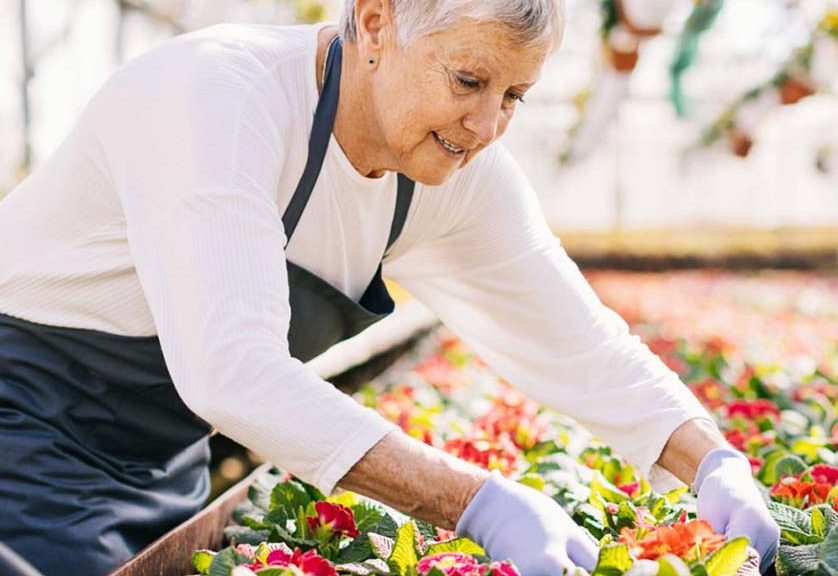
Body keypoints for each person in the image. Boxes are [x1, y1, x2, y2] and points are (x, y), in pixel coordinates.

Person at [0, 1, 779, 575]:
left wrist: (711, 459)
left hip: (166, 461)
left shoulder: (455, 173)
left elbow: (577, 339)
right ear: (374, 23)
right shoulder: (219, 99)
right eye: (469, 79)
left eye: (514, 96)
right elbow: (231, 370)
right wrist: (475, 501)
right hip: (24, 431)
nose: (485, 125)